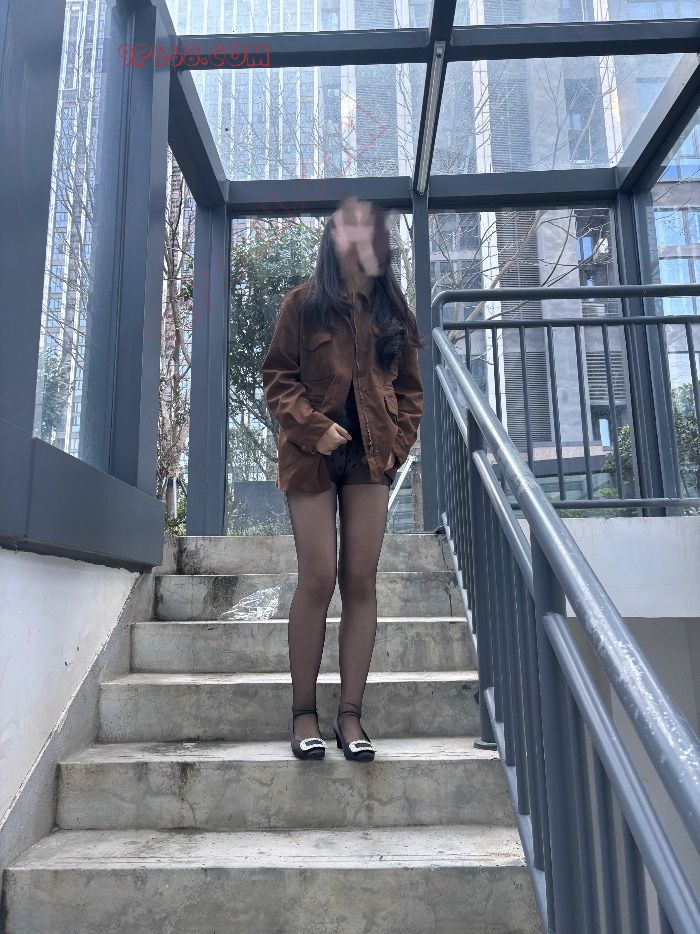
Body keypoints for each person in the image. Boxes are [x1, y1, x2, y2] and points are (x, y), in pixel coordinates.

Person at [261, 197, 424, 762]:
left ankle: (350, 716)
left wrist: (394, 450)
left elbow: (410, 393)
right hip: (310, 456)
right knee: (317, 577)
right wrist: (314, 428)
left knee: (360, 581)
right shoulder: (303, 304)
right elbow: (278, 378)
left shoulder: (393, 312)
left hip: (369, 460)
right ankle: (303, 713)